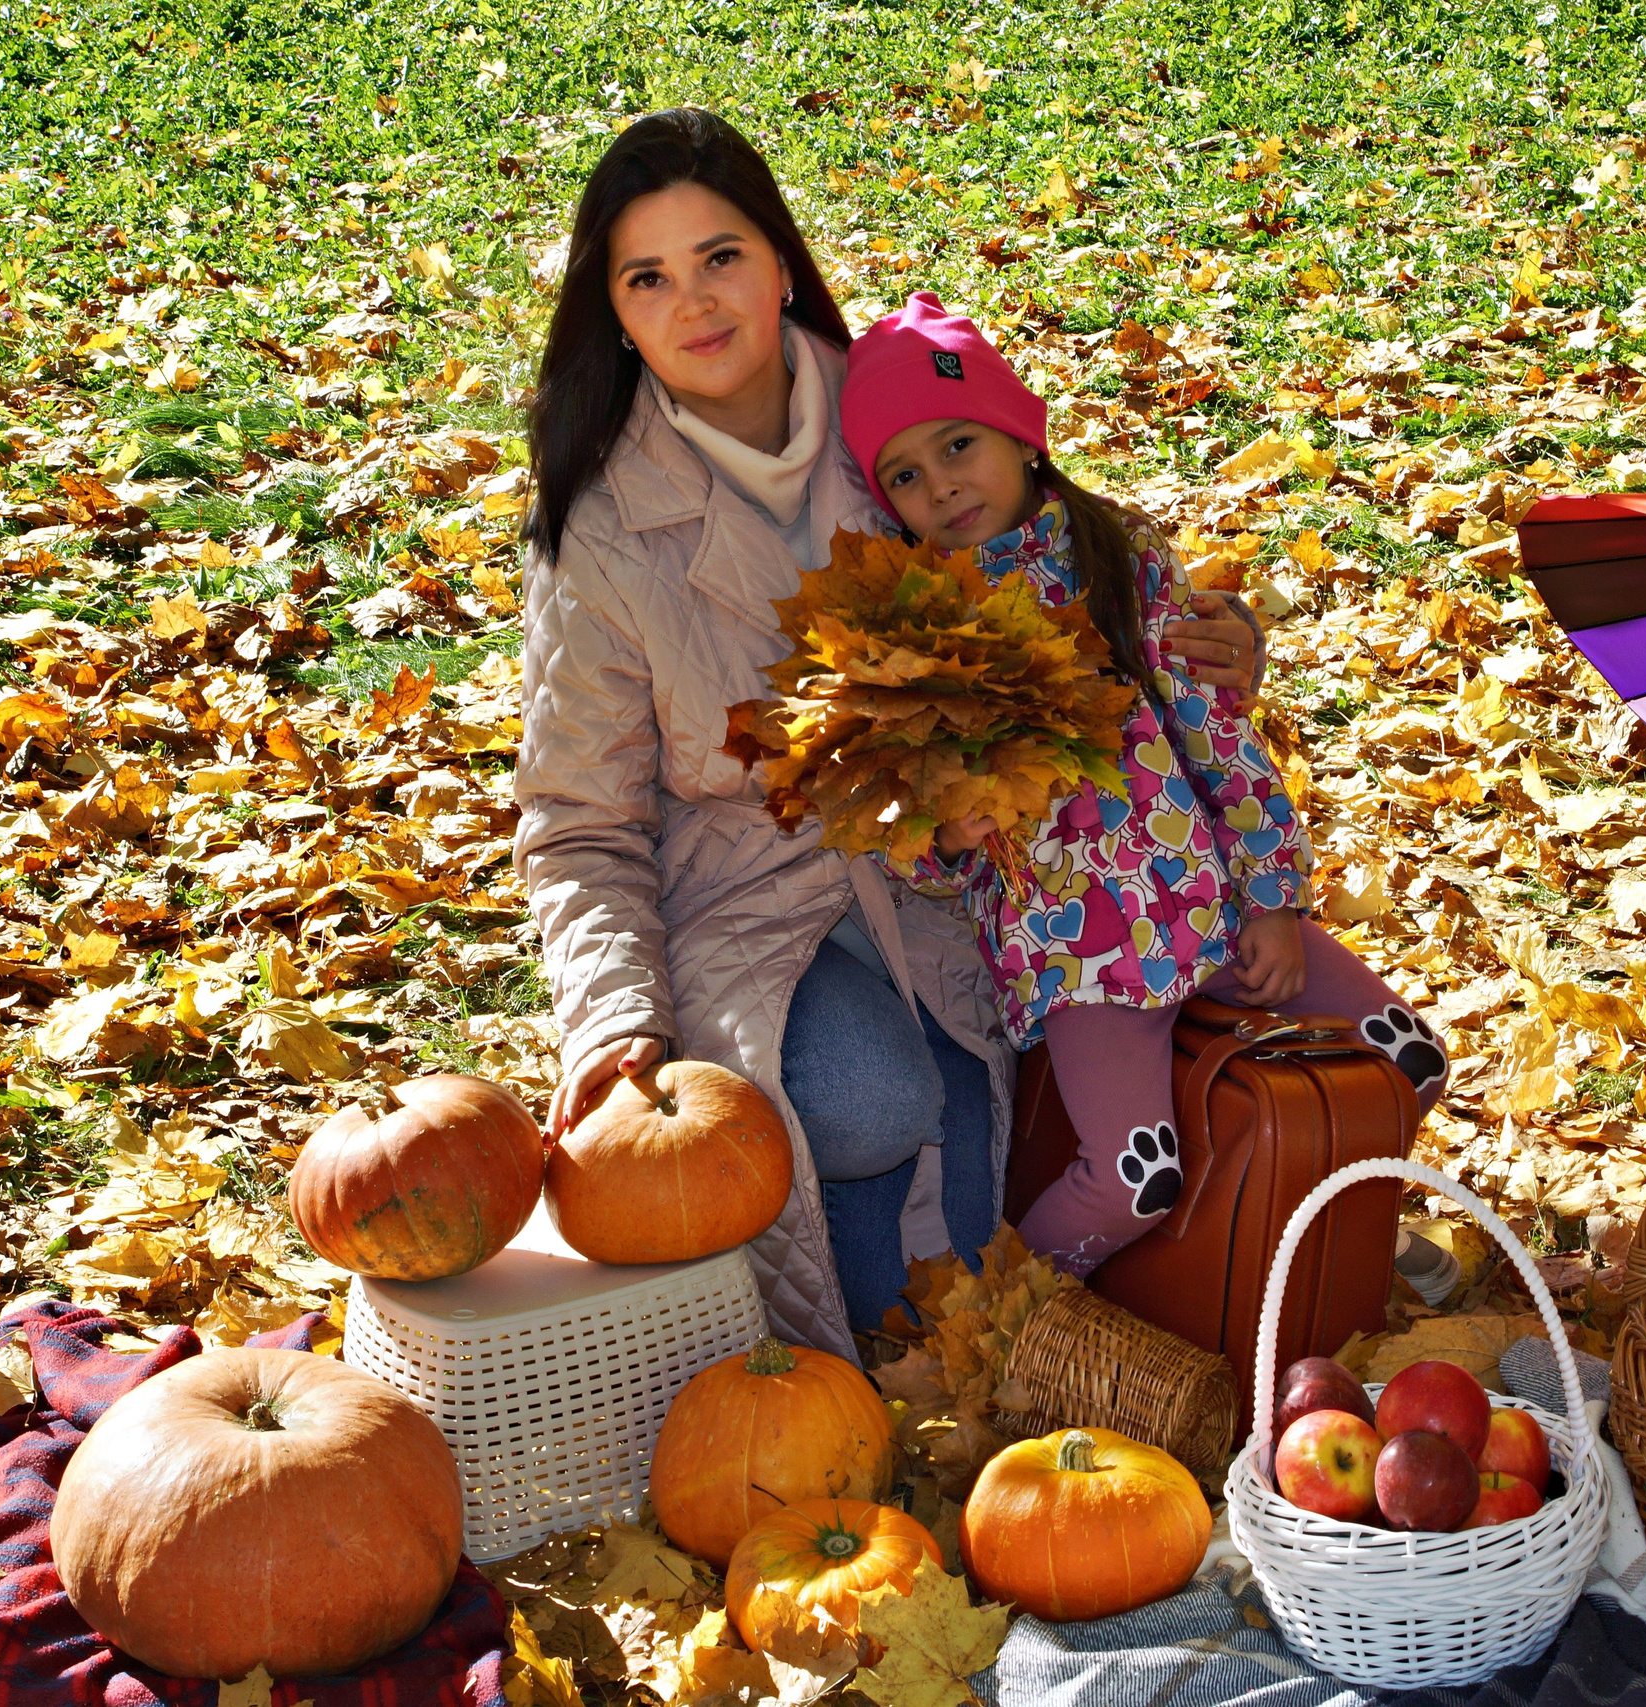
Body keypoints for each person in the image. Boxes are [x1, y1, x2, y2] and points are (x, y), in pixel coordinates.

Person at [512, 110, 1269, 1353]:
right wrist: (614, 1019)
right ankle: (845, 1402)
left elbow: (1068, 563)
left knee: (974, 1193)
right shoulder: (602, 531)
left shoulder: (892, 426)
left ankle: (972, 1378)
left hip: (961, 868)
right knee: (868, 1105)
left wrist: (1216, 634)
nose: (695, 304)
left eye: (721, 257)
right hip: (742, 902)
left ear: (779, 260)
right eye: (647, 278)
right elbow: (576, 821)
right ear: (615, 310)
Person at [841, 292, 1451, 1277]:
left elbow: (1219, 743)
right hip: (1078, 954)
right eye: (904, 475)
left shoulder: (1117, 560)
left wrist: (1271, 902)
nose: (942, 487)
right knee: (1136, 1173)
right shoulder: (923, 628)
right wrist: (944, 837)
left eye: (959, 445)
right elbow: (913, 834)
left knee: (1407, 1059)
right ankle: (1019, 1307)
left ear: (1018, 434)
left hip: (1206, 910)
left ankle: (1351, 1230)